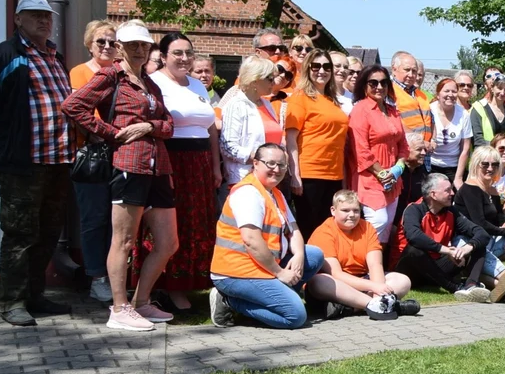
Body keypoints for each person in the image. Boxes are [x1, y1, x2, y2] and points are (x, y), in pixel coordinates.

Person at [62, 20, 178, 331]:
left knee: (168, 242)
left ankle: (141, 302)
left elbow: (169, 125)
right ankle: (119, 308)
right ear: (121, 48)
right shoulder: (111, 75)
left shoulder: (151, 83)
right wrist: (111, 133)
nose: (140, 50)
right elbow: (73, 106)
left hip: (158, 166)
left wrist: (150, 127)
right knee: (124, 240)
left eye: (144, 45)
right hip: (128, 164)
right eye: (132, 45)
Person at [0, 0, 76, 326]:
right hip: (23, 164)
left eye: (47, 16)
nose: (43, 21)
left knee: (48, 231)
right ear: (17, 19)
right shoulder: (5, 55)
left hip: (57, 162)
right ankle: (12, 303)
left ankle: (34, 295)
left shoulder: (55, 56)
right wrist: (5, 143)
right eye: (34, 15)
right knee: (19, 234)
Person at [207, 144, 323, 328]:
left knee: (313, 254)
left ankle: (272, 300)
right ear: (256, 164)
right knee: (296, 316)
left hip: (263, 265)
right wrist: (280, 273)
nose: (276, 170)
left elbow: (295, 230)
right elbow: (251, 240)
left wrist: (299, 255)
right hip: (236, 272)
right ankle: (229, 301)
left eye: (282, 165)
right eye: (270, 164)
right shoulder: (248, 193)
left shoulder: (275, 193)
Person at [146, 32, 222, 313]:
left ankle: (190, 281)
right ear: (164, 56)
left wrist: (215, 166)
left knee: (197, 224)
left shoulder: (197, 85)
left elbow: (210, 127)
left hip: (200, 162)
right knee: (172, 224)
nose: (184, 58)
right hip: (171, 160)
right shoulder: (154, 83)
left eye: (188, 53)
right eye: (177, 53)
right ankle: (167, 286)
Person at [302, 189, 416, 320]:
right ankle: (381, 305)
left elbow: (375, 265)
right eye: (345, 210)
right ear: (333, 210)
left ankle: (352, 307)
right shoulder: (324, 232)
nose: (351, 215)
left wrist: (378, 292)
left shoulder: (367, 227)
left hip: (363, 281)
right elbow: (336, 274)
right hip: (337, 284)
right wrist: (374, 287)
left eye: (356, 211)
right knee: (318, 281)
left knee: (403, 281)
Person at [69, 19, 120, 303]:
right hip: (92, 153)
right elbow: (79, 111)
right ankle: (97, 277)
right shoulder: (80, 73)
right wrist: (105, 133)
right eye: (101, 41)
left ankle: (117, 276)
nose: (107, 46)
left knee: (118, 219)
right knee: (94, 219)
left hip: (120, 153)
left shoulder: (121, 74)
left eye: (113, 42)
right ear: (89, 44)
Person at [394, 173, 492, 302]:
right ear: (433, 194)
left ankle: (471, 286)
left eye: (451, 189)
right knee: (414, 249)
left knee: (477, 244)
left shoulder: (451, 211)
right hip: (409, 271)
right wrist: (446, 250)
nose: (452, 193)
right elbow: (414, 237)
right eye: (447, 190)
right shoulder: (414, 209)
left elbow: (482, 233)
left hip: (435, 267)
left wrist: (467, 248)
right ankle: (455, 288)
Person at [285, 49, 350, 238]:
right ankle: (306, 266)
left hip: (334, 175)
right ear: (307, 69)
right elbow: (291, 140)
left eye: (326, 66)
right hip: (310, 174)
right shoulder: (300, 97)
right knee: (310, 230)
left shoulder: (333, 100)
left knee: (329, 230)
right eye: (316, 66)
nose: (322, 71)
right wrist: (295, 174)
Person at [455, 145, 505, 302]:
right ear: (476, 164)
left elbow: (499, 216)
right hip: (468, 241)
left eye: (495, 164)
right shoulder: (470, 188)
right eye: (485, 164)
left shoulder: (492, 189)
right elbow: (480, 223)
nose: (490, 168)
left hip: (487, 238)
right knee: (502, 273)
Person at [347, 64, 409, 243]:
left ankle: (379, 266)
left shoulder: (392, 111)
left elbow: (403, 144)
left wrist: (398, 168)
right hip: (370, 178)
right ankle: (361, 265)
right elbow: (360, 149)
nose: (379, 87)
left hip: (393, 178)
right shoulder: (360, 111)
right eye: (373, 83)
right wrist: (382, 173)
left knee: (388, 224)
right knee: (378, 222)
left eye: (383, 82)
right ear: (364, 85)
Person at [220, 56, 282, 188]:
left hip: (269, 177)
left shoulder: (266, 104)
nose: (274, 82)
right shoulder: (236, 105)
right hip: (245, 178)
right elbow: (228, 146)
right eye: (270, 78)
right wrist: (260, 157)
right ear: (254, 81)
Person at [429, 78, 473, 187]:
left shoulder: (463, 114)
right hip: (430, 165)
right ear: (438, 93)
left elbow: (465, 149)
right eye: (446, 91)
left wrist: (458, 178)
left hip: (453, 167)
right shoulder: (429, 110)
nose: (450, 94)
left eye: (454, 91)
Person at [389, 51, 433, 145]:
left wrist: (433, 140)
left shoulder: (420, 94)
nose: (411, 75)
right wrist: (417, 141)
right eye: (407, 70)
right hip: (402, 148)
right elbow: (391, 121)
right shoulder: (388, 91)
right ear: (394, 69)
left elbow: (431, 121)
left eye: (414, 71)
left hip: (423, 149)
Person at [470, 73, 505, 148]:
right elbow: (477, 138)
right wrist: (494, 154)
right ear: (492, 88)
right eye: (499, 88)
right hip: (484, 156)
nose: (502, 92)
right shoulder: (478, 108)